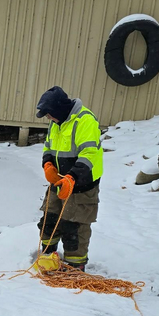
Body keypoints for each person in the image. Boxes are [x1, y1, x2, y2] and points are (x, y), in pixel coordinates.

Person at [35, 86, 103, 271]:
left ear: (59, 109)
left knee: (74, 226)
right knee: (50, 218)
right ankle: (48, 254)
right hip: (58, 181)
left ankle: (75, 266)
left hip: (82, 184)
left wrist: (72, 177)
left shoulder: (84, 120)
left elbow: (90, 153)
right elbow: (48, 146)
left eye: (49, 114)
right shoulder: (56, 122)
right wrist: (47, 164)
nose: (48, 118)